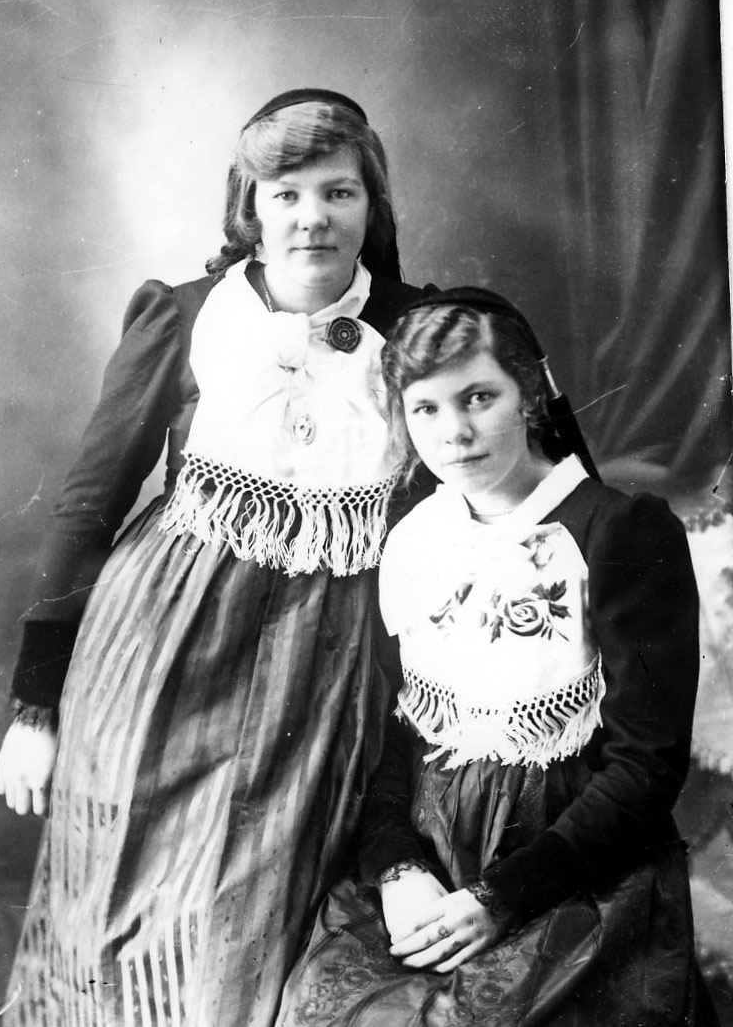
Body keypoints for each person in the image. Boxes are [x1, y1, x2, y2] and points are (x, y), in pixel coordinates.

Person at [0, 89, 427, 1027]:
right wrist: (35, 703)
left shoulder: (420, 328)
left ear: (372, 205)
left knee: (257, 931)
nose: (312, 217)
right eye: (285, 194)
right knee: (121, 917)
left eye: (339, 192)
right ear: (249, 207)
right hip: (160, 650)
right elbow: (88, 505)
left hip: (327, 670)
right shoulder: (187, 315)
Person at [276, 286, 717, 1027]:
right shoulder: (412, 538)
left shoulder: (619, 531)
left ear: (530, 395)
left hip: (574, 868)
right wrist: (397, 868)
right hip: (431, 861)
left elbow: (646, 767)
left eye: (479, 397)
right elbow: (393, 740)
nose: (454, 433)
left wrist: (501, 898)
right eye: (426, 408)